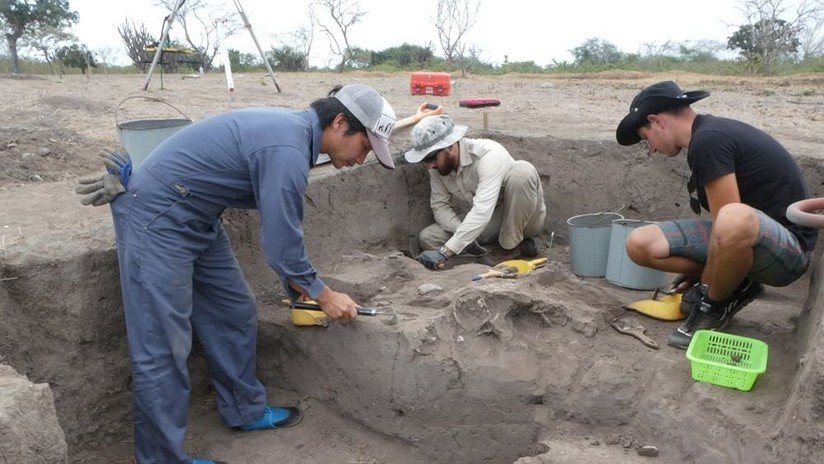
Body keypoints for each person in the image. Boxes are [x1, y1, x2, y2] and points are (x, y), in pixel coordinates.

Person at [83, 83, 397, 464]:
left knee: (234, 310)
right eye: (365, 147)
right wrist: (324, 295)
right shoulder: (287, 149)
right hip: (159, 217)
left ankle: (244, 410)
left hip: (198, 215)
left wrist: (301, 288)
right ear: (341, 122)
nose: (362, 159)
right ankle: (160, 459)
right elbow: (282, 244)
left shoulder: (296, 139)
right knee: (163, 347)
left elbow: (282, 235)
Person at [615, 80, 817, 349]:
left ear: (656, 121)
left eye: (645, 138)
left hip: (788, 251)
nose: (650, 148)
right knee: (639, 243)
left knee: (732, 218)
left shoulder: (709, 140)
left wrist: (706, 285)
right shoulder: (705, 137)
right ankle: (735, 282)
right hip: (749, 237)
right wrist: (708, 272)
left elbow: (728, 222)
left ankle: (712, 306)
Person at [404, 114, 547, 270]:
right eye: (424, 161)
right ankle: (493, 254)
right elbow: (440, 207)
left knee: (522, 173)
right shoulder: (437, 169)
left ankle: (509, 248)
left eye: (431, 158)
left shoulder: (489, 155)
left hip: (522, 218)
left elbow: (481, 211)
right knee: (428, 238)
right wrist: (460, 232)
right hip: (490, 221)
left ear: (450, 146)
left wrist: (445, 252)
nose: (429, 166)